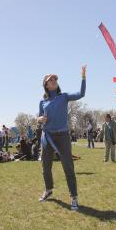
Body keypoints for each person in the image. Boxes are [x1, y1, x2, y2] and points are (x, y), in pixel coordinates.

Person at [37, 66, 86, 210]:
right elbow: (39, 118)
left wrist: (83, 77)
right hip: (47, 137)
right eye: (50, 79)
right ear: (45, 84)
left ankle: (74, 197)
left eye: (55, 79)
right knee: (46, 166)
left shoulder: (63, 96)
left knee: (68, 167)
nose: (53, 80)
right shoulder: (42, 102)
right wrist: (40, 119)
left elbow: (81, 93)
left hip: (62, 136)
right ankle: (48, 190)